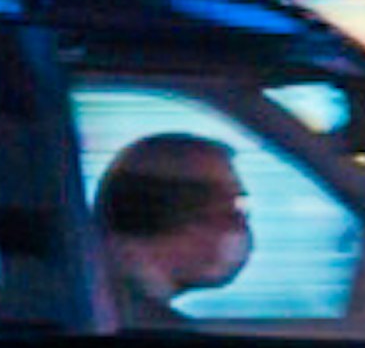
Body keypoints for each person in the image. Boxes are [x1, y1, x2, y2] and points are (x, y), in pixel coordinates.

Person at [96, 130, 252, 327]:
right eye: (227, 207)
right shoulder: (143, 338)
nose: (240, 224)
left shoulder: (106, 307)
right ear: (165, 212)